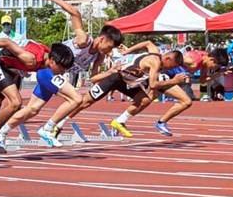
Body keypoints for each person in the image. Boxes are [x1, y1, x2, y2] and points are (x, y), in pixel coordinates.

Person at [0, 0, 123, 147]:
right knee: (76, 99)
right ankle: (47, 129)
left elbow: (93, 78)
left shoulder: (99, 56)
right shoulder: (84, 40)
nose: (109, 51)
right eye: (109, 47)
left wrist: (110, 72)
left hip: (53, 76)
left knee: (32, 109)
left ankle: (1, 133)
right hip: (48, 70)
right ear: (102, 39)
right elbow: (75, 13)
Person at [54, 41, 190, 138]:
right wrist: (174, 81)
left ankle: (119, 121)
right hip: (114, 77)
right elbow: (153, 85)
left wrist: (128, 51)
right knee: (86, 102)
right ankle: (59, 123)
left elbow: (147, 43)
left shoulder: (155, 51)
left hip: (126, 82)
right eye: (172, 66)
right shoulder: (155, 62)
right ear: (167, 58)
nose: (170, 69)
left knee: (144, 100)